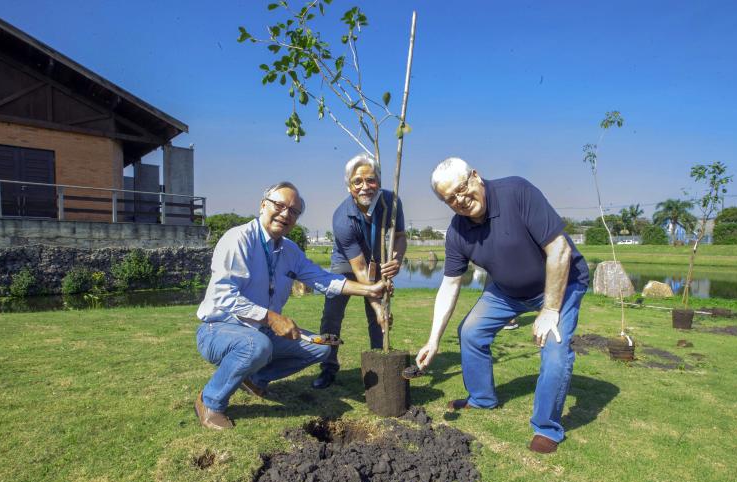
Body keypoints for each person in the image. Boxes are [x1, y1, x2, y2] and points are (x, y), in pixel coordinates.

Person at [415, 158, 589, 454]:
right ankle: (481, 398)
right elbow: (450, 284)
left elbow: (559, 249)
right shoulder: (457, 233)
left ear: (475, 177)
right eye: (450, 199)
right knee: (470, 332)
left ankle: (546, 427)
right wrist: (433, 340)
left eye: (461, 189)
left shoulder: (517, 192)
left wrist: (549, 310)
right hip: (507, 291)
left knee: (555, 348)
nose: (460, 200)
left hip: (561, 283)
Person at [194, 182, 386, 430]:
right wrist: (271, 317)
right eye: (280, 205)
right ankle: (210, 402)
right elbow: (223, 295)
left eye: (293, 211)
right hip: (219, 329)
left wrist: (370, 289)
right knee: (256, 346)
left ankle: (255, 377)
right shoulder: (238, 239)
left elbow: (323, 279)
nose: (286, 214)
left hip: (259, 331)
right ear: (264, 205)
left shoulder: (289, 250)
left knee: (322, 349)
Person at [312, 154, 407, 389]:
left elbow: (400, 237)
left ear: (379, 181)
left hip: (376, 262)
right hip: (346, 266)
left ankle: (380, 366)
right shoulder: (342, 218)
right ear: (349, 186)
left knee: (377, 321)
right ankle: (328, 367)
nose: (365, 187)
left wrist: (396, 259)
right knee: (332, 317)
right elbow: (359, 268)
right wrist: (377, 304)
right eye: (358, 181)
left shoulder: (391, 202)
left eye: (371, 180)